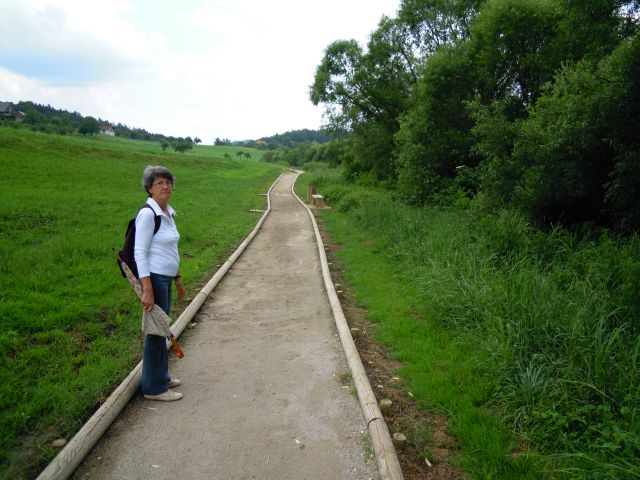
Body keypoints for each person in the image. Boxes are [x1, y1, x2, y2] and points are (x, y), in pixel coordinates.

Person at [135, 165, 186, 402]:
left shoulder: (168, 213)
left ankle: (161, 376)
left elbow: (171, 249)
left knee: (162, 330)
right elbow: (140, 253)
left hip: (165, 279)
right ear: (149, 188)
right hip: (154, 279)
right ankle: (154, 388)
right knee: (156, 334)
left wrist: (178, 281)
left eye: (168, 182)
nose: (165, 186)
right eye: (159, 183)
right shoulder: (148, 214)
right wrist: (147, 289)